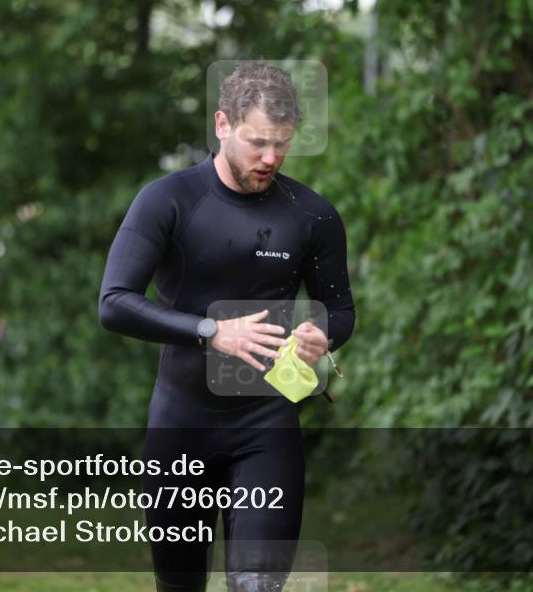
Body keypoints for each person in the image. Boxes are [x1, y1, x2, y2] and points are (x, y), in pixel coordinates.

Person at [99, 61, 355, 591]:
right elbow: (115, 303)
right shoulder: (167, 200)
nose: (270, 158)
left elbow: (341, 309)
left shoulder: (313, 215)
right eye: (257, 142)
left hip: (267, 429)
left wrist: (321, 334)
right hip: (180, 428)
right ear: (222, 124)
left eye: (282, 144)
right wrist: (212, 331)